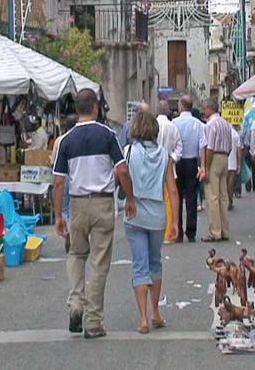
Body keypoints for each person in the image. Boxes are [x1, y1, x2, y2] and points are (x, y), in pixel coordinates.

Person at [53, 89, 135, 340]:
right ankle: (93, 320)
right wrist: (130, 198)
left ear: (77, 109)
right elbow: (121, 171)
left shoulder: (66, 140)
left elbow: (58, 182)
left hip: (78, 204)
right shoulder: (108, 136)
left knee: (76, 254)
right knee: (99, 262)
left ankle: (76, 303)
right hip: (102, 204)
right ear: (96, 107)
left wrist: (58, 215)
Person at [123, 111, 179, 334]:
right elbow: (172, 190)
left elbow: (121, 176)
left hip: (134, 212)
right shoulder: (165, 155)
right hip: (157, 215)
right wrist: (174, 221)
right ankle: (156, 311)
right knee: (155, 262)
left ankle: (143, 318)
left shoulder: (127, 152)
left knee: (139, 264)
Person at [172, 96, 206, 242]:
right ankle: (191, 232)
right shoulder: (198, 124)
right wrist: (202, 165)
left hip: (178, 162)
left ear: (181, 105)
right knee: (192, 197)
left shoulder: (174, 123)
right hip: (192, 162)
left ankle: (178, 231)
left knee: (177, 196)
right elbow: (202, 146)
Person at [201, 98, 232, 242]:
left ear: (209, 108)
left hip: (214, 158)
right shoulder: (226, 124)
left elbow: (209, 148)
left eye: (204, 108)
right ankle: (225, 230)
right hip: (225, 157)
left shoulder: (210, 125)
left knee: (212, 196)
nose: (203, 111)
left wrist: (206, 167)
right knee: (223, 196)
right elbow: (230, 145)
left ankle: (215, 231)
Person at [155, 100, 182, 243]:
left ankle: (157, 231)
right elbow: (179, 147)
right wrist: (172, 159)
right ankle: (169, 231)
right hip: (169, 166)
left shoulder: (153, 125)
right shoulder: (173, 127)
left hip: (153, 166)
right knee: (169, 198)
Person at [52, 113, 79, 252]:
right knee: (74, 206)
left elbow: (54, 163)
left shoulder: (59, 140)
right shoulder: (78, 139)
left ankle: (67, 230)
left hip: (63, 176)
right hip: (76, 175)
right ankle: (74, 232)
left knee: (64, 208)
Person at [227, 126, 242, 209]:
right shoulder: (235, 134)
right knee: (230, 184)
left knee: (224, 185)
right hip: (233, 163)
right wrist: (239, 164)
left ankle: (225, 201)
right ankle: (229, 201)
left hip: (224, 162)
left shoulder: (223, 131)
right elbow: (238, 150)